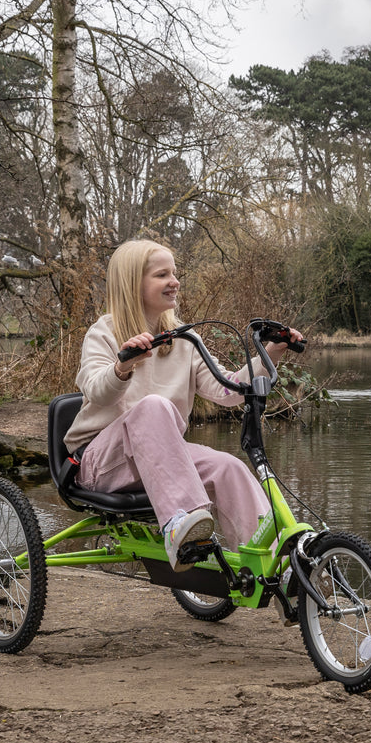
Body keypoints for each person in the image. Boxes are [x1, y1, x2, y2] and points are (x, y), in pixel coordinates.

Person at [64, 239, 302, 570]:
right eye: (163, 275)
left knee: (228, 468)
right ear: (134, 282)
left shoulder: (183, 338)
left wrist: (270, 353)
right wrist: (123, 366)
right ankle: (181, 525)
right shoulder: (103, 333)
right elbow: (95, 390)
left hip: (161, 459)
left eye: (174, 273)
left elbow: (229, 390)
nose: (174, 281)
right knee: (154, 407)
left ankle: (277, 569)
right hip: (100, 464)